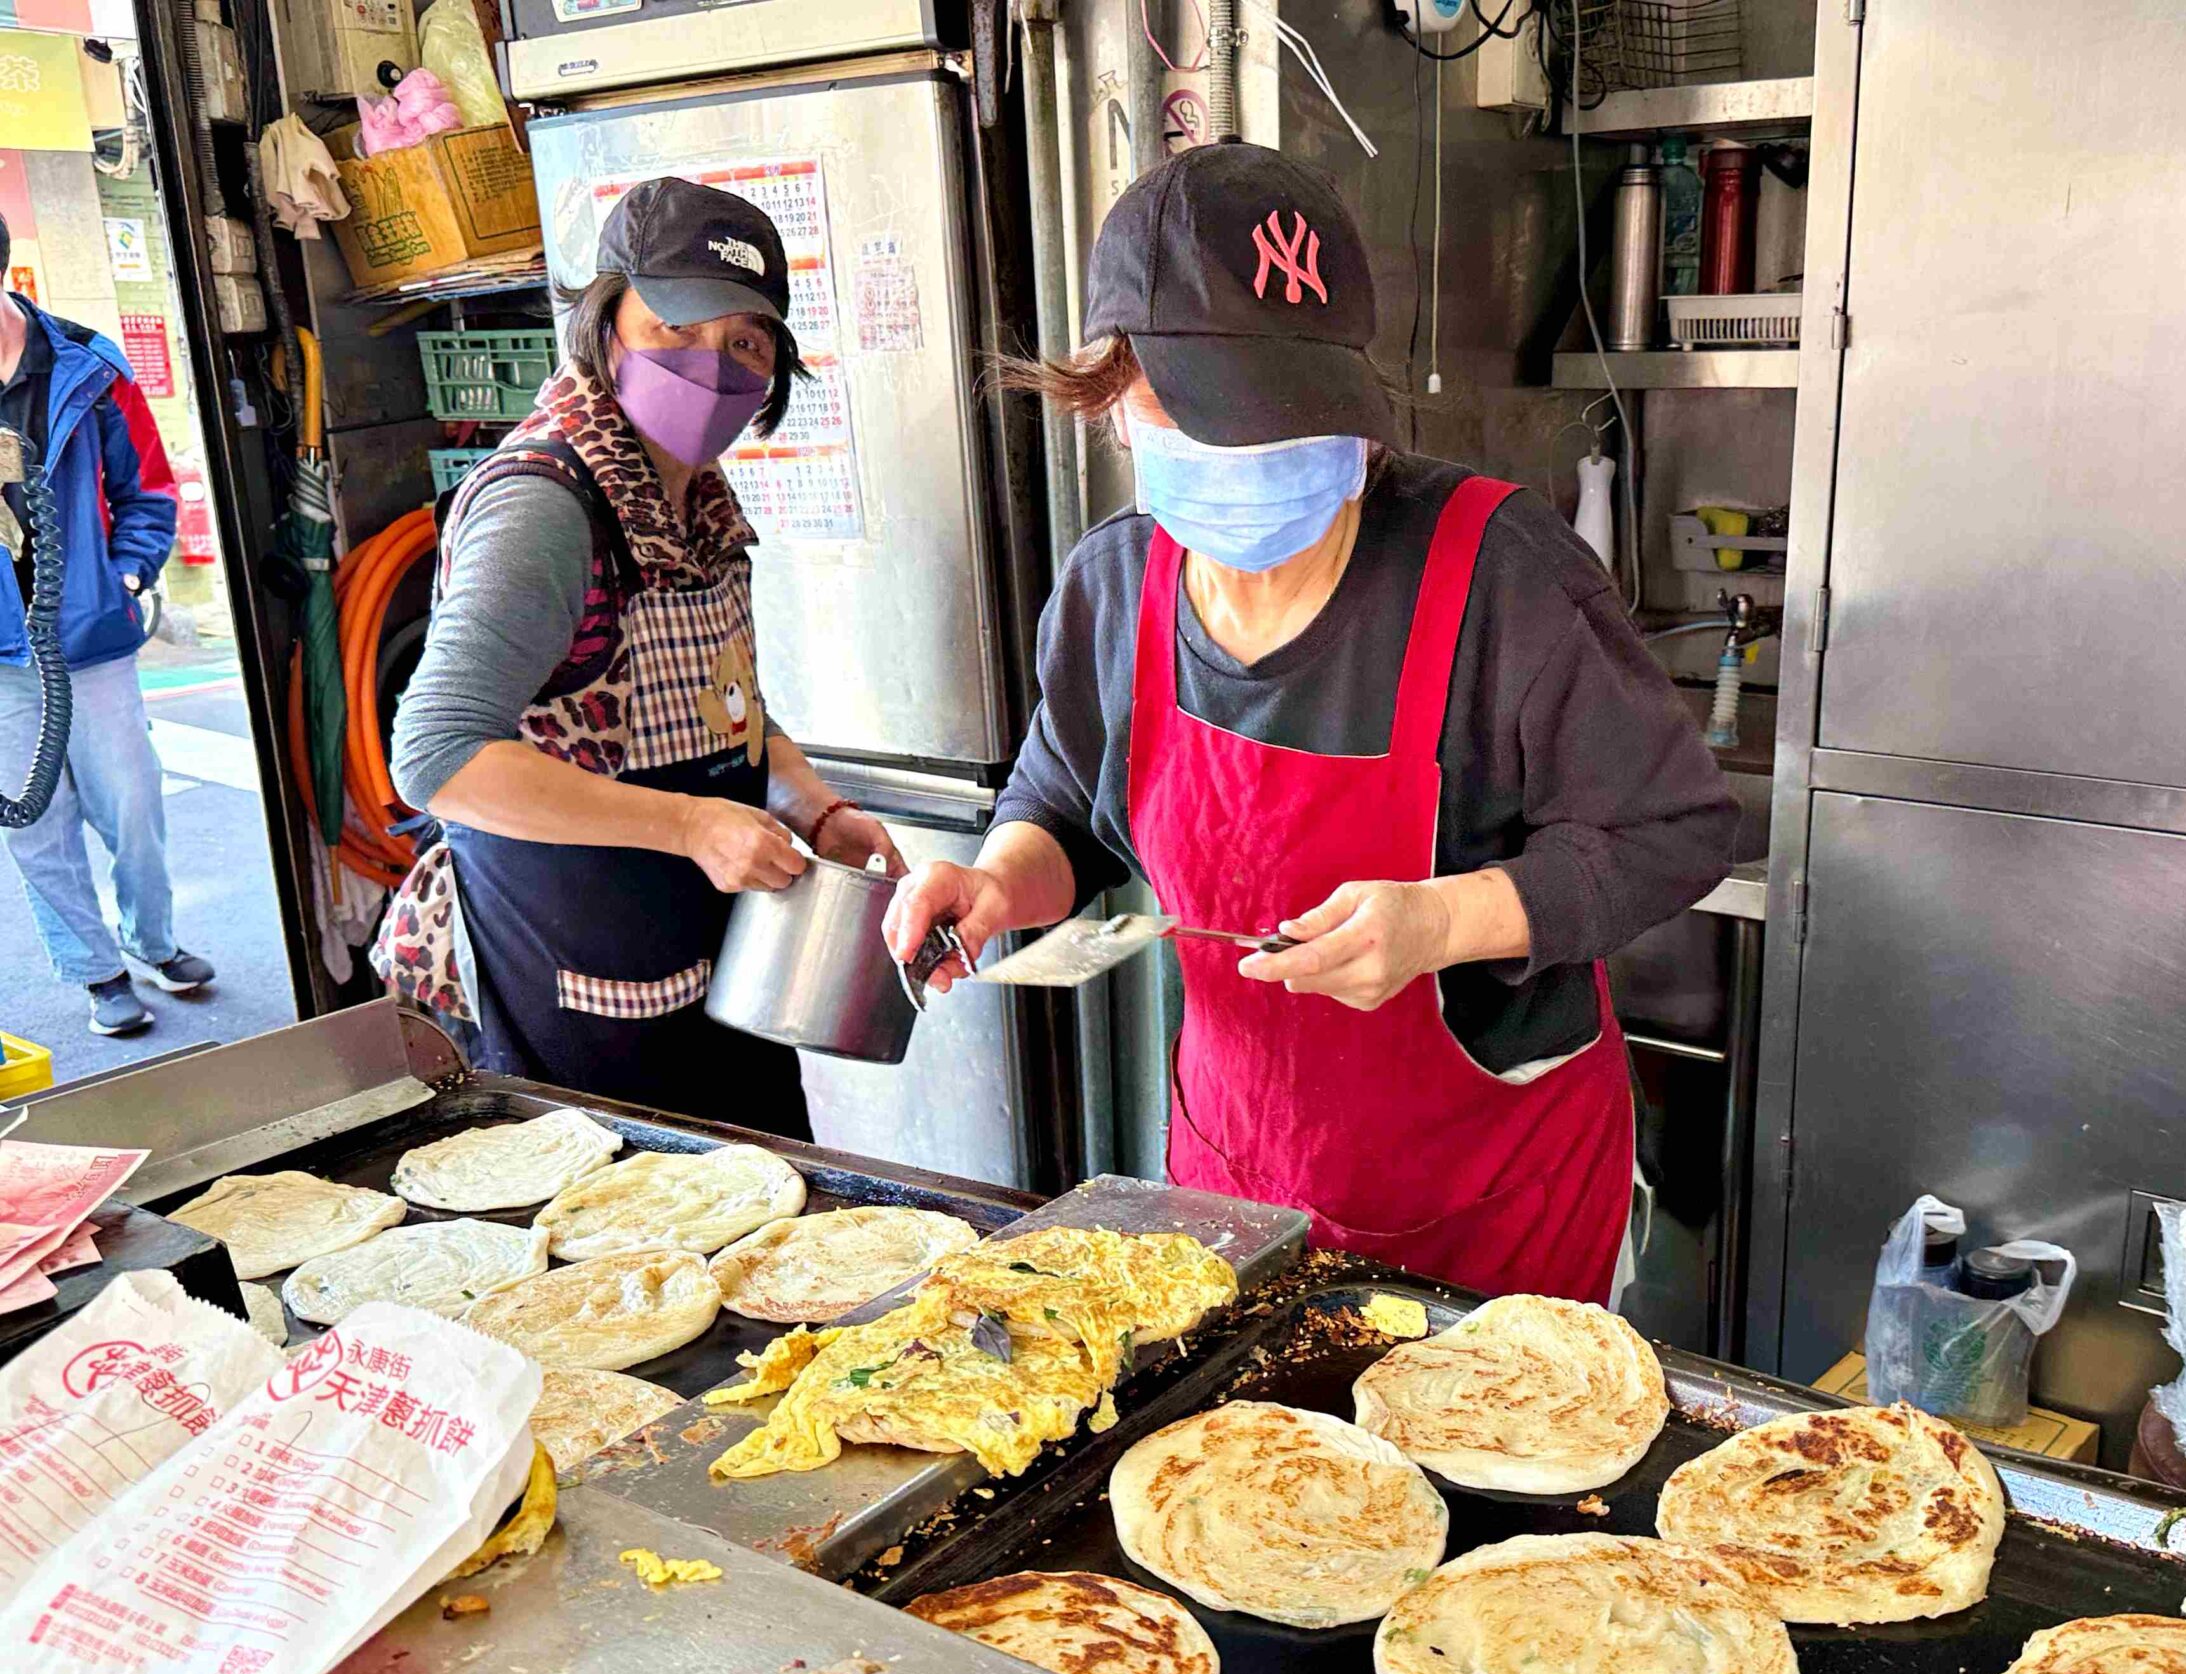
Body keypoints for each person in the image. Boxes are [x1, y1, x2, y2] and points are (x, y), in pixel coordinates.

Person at [887, 144, 1738, 1303]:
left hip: (1496, 1216)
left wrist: (1441, 922)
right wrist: (1001, 883)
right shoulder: (1110, 591)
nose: (1257, 452)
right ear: (1115, 397)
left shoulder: (1496, 572)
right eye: (1216, 415)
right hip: (1241, 1183)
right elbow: (1062, 804)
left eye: (1291, 416)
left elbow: (1674, 830)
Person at [385, 179, 900, 1135]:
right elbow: (434, 759)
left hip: (718, 977)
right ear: (604, 324)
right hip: (578, 995)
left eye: (744, 343)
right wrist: (690, 827)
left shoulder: (695, 504)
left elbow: (727, 705)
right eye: (675, 326)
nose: (711, 365)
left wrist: (808, 802)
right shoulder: (546, 507)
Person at [0, 216, 198, 1038]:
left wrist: (125, 574)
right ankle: (98, 973)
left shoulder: (86, 366)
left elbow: (148, 490)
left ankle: (152, 941)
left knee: (133, 806)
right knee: (36, 826)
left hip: (89, 635)